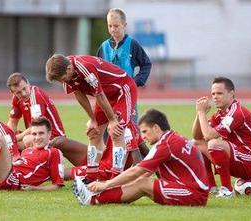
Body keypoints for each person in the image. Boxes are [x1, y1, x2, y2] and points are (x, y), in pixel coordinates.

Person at [73, 109, 209, 207]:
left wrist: (106, 184)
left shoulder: (165, 144)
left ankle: (92, 199)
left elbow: (137, 170)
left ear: (156, 128)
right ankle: (95, 197)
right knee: (141, 181)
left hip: (194, 194)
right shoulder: (172, 138)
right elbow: (144, 171)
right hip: (192, 190)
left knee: (143, 183)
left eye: (145, 131)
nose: (143, 136)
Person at [46, 54, 137, 179]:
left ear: (69, 69)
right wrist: (92, 120)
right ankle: (92, 174)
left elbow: (99, 95)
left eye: (62, 79)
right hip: (104, 96)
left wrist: (112, 120)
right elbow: (79, 95)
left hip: (122, 90)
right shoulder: (65, 71)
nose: (63, 82)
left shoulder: (84, 67)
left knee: (116, 130)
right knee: (93, 132)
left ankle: (116, 177)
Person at [192, 77, 251, 197]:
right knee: (196, 143)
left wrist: (202, 113)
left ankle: (226, 190)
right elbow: (198, 136)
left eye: (219, 93)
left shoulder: (236, 112)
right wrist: (198, 114)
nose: (215, 97)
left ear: (231, 94)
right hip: (240, 158)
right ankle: (211, 187)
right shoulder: (220, 114)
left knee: (214, 143)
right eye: (213, 94)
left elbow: (209, 135)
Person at [7, 72, 86, 165]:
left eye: (24, 88)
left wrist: (14, 138)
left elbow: (37, 127)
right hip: (37, 134)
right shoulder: (16, 98)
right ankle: (21, 164)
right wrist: (8, 137)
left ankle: (43, 164)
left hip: (53, 136)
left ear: (28, 83)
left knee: (26, 140)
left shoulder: (35, 96)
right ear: (13, 93)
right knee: (8, 137)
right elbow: (12, 122)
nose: (23, 93)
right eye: (19, 92)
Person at [97, 8, 151, 124]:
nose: (112, 30)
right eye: (109, 26)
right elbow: (96, 70)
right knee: (107, 131)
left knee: (131, 130)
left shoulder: (132, 44)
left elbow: (146, 64)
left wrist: (136, 81)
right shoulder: (104, 47)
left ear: (124, 25)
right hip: (107, 97)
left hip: (127, 95)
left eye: (116, 26)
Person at [66, 121, 148, 181]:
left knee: (65, 173)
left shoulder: (123, 128)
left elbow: (137, 161)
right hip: (105, 165)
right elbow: (144, 150)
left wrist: (130, 180)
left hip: (105, 171)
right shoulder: (130, 125)